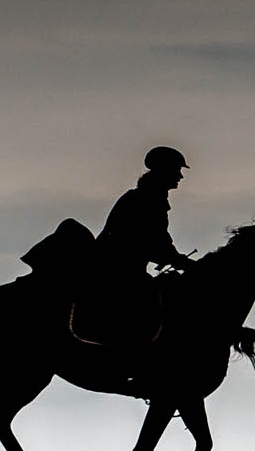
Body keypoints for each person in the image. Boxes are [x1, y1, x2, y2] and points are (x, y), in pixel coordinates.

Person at [73, 146, 192, 348]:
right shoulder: (147, 199)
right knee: (148, 301)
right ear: (165, 171)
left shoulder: (150, 196)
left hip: (125, 264)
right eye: (177, 170)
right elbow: (150, 237)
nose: (180, 176)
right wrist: (176, 258)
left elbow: (157, 238)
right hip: (117, 267)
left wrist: (173, 256)